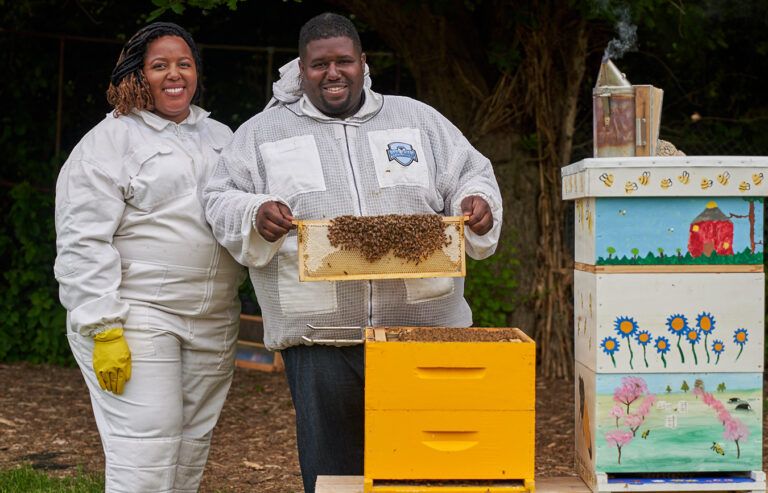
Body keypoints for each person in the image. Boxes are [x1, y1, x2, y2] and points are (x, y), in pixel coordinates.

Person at [203, 12, 502, 493]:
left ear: (364, 63)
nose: (333, 72)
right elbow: (219, 197)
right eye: (320, 64)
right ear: (301, 70)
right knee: (335, 478)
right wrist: (256, 212)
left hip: (421, 332)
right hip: (320, 336)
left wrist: (479, 203)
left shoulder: (417, 119)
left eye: (344, 61)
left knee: (424, 471)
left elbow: (472, 173)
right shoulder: (263, 133)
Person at [54, 22, 244, 493]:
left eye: (184, 64)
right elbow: (82, 239)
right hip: (138, 316)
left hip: (215, 318)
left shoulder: (221, 136)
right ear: (136, 74)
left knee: (189, 451)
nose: (174, 75)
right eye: (159, 66)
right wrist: (103, 326)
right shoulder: (110, 141)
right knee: (146, 454)